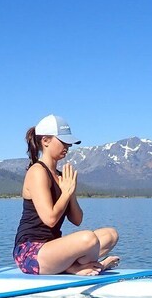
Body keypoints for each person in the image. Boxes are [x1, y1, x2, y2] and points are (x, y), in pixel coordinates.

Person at [13, 114, 119, 276]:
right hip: (30, 254)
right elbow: (50, 219)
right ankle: (81, 267)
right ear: (45, 141)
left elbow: (77, 220)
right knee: (88, 238)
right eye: (63, 141)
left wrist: (71, 193)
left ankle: (76, 267)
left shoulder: (62, 176)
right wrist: (66, 192)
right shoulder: (37, 172)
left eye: (68, 143)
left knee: (110, 234)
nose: (67, 146)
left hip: (53, 248)